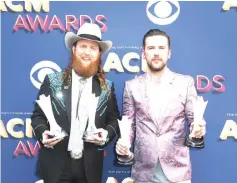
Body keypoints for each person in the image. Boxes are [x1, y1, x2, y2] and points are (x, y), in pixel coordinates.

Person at [31, 23, 120, 183]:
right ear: (74, 49)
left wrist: (106, 134)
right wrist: (43, 133)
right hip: (55, 165)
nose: (87, 52)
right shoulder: (52, 81)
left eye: (93, 48)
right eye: (83, 46)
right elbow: (38, 117)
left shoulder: (107, 87)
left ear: (99, 54)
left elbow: (114, 120)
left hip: (89, 168)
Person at [115, 29, 206, 183]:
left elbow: (194, 119)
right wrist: (124, 143)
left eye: (161, 48)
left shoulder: (185, 83)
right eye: (151, 48)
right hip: (143, 173)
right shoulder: (132, 86)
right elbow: (128, 124)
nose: (156, 53)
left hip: (178, 173)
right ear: (144, 53)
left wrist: (198, 128)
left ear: (169, 53)